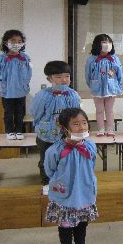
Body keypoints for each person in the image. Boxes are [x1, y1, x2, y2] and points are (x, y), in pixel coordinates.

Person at [44, 107, 98, 244]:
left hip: (84, 195)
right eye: (76, 124)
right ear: (64, 128)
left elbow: (91, 165)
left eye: (84, 123)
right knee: (65, 228)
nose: (81, 127)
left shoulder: (90, 146)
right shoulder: (55, 150)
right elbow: (49, 170)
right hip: (64, 197)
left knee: (81, 227)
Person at [30, 61, 82, 195]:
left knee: (65, 159)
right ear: (49, 79)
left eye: (67, 76)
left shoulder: (73, 95)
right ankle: (46, 183)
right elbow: (36, 113)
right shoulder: (42, 96)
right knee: (46, 160)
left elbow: (76, 114)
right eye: (59, 77)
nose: (64, 80)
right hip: (46, 136)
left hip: (66, 136)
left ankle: (64, 182)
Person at [0, 29, 32, 140]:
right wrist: (0, 86)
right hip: (7, 91)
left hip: (21, 90)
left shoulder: (25, 58)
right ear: (6, 42)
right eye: (13, 41)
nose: (16, 44)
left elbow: (29, 73)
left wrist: (25, 84)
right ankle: (9, 131)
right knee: (8, 113)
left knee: (20, 112)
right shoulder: (1, 59)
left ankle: (19, 131)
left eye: (19, 41)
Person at [85, 34, 123, 136]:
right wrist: (93, 85)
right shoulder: (91, 59)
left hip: (111, 88)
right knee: (99, 110)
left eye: (109, 42)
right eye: (104, 42)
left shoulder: (115, 59)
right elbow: (88, 75)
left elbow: (120, 74)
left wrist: (118, 86)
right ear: (98, 44)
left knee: (109, 110)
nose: (107, 44)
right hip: (97, 89)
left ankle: (110, 129)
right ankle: (100, 129)